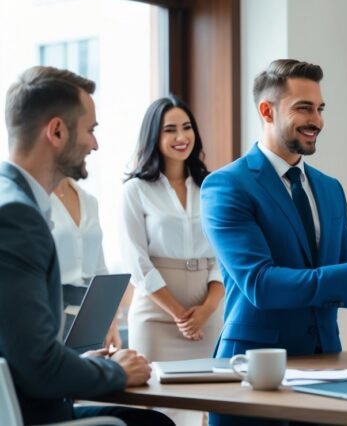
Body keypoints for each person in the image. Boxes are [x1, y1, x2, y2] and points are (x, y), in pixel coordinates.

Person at [201, 59, 347, 426]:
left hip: (328, 373)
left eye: (320, 108)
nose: (317, 120)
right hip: (252, 377)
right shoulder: (226, 186)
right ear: (267, 110)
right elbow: (260, 285)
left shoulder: (329, 189)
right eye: (304, 108)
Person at [0, 66, 172, 425]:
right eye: (91, 130)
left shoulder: (14, 201)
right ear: (57, 131)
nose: (95, 144)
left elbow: (21, 346)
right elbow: (39, 368)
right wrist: (116, 372)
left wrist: (83, 363)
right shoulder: (17, 217)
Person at [120, 95, 224, 363]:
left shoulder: (212, 187)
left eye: (187, 127)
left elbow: (223, 256)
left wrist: (205, 310)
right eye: (170, 129)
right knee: (156, 400)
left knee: (209, 398)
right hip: (155, 316)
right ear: (153, 136)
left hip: (207, 316)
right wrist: (180, 314)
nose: (181, 136)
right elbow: (137, 262)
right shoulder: (135, 190)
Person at [51, 176, 122, 349]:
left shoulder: (89, 200)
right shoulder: (35, 198)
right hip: (51, 314)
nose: (94, 147)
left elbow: (99, 267)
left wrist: (111, 321)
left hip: (89, 317)